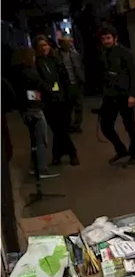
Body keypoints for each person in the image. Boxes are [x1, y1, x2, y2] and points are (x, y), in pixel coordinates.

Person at [11, 47, 59, 178]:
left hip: (25, 110)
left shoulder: (17, 72)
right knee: (41, 140)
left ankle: (34, 167)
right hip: (34, 110)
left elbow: (22, 94)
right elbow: (39, 89)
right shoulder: (30, 72)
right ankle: (41, 168)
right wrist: (52, 92)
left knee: (34, 139)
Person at [98, 25, 135, 166]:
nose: (106, 41)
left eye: (108, 38)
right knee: (105, 125)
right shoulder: (104, 54)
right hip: (110, 95)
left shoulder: (126, 53)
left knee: (130, 126)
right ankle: (121, 150)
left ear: (115, 38)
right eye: (103, 38)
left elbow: (134, 75)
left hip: (125, 95)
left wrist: (133, 95)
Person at [34, 35, 79, 166]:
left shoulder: (55, 60)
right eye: (40, 46)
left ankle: (59, 154)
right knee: (58, 129)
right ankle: (70, 152)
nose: (44, 48)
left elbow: (64, 78)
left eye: (45, 45)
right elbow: (38, 82)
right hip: (48, 101)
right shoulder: (37, 63)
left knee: (63, 128)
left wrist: (69, 94)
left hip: (62, 98)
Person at [59, 35, 86, 133]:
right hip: (66, 84)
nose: (69, 44)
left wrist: (82, 79)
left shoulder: (74, 53)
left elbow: (80, 67)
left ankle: (76, 125)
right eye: (66, 42)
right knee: (68, 107)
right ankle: (68, 125)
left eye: (70, 42)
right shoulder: (57, 55)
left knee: (79, 106)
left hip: (77, 83)